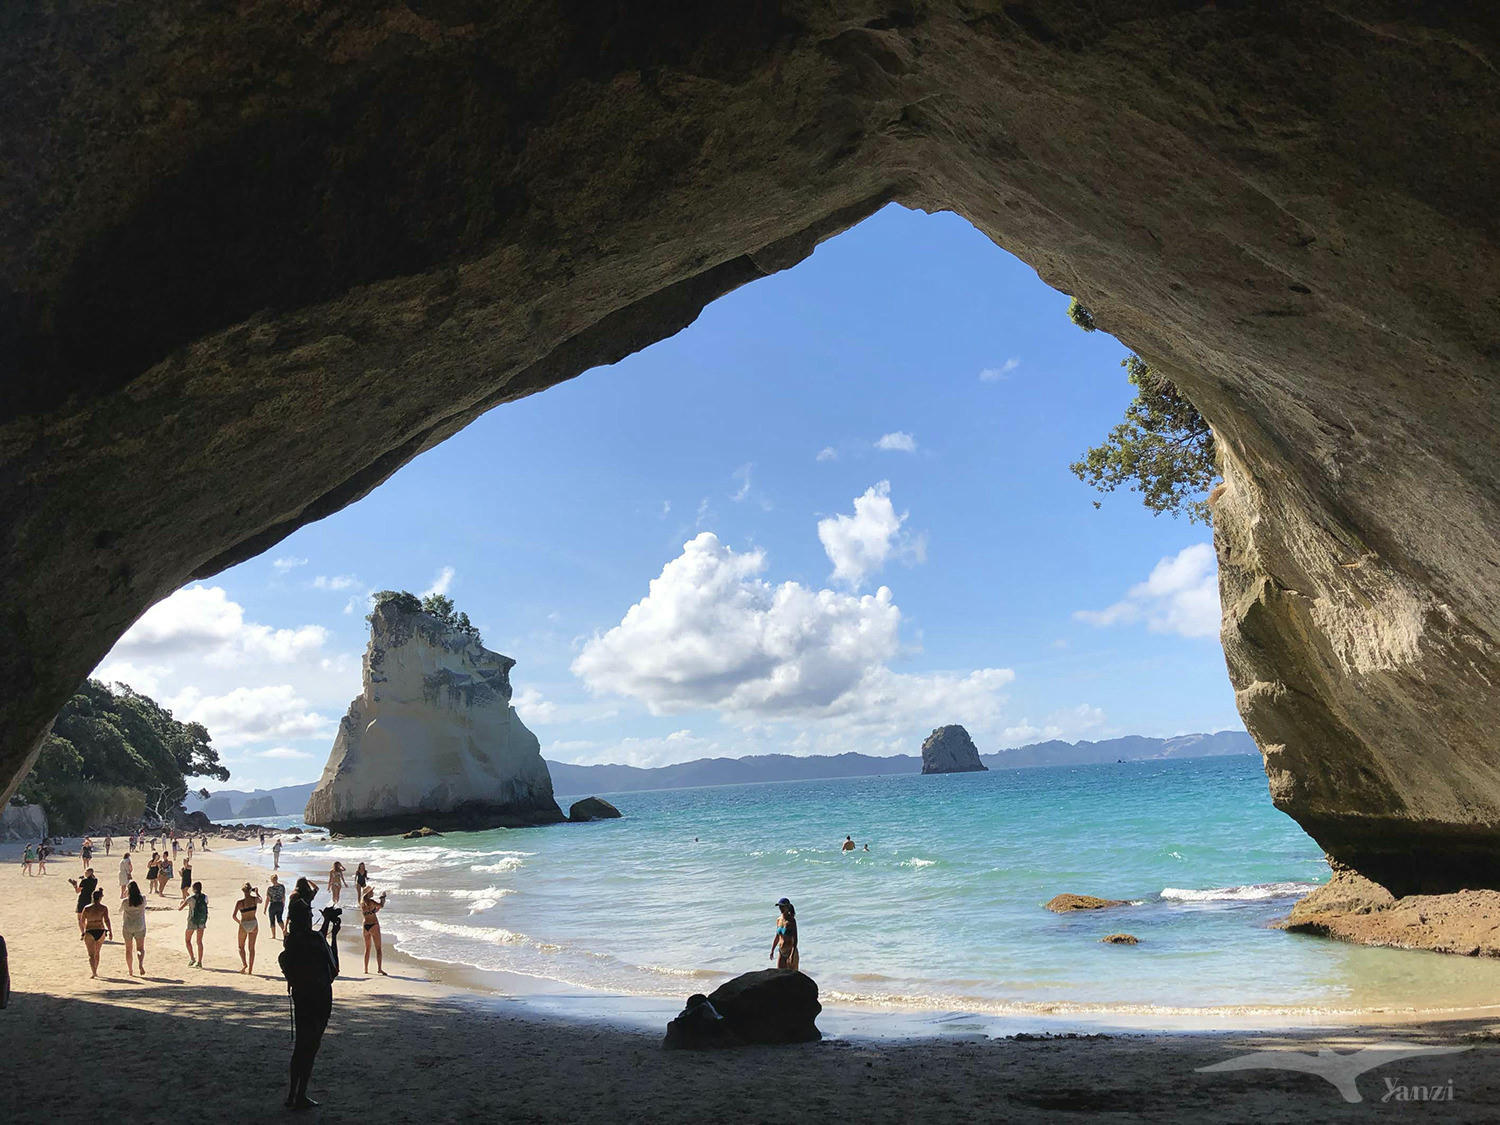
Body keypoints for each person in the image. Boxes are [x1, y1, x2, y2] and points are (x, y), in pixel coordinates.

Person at [280, 878, 340, 1110]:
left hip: (301, 997)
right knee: (312, 1047)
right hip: (320, 998)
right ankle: (302, 1095)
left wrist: (325, 925)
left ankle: (292, 1094)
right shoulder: (315, 940)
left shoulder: (291, 942)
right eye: (309, 914)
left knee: (300, 1047)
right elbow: (334, 968)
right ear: (305, 918)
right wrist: (334, 935)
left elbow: (315, 940)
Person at [80, 889, 111, 978]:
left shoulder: (87, 908)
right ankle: (95, 970)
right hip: (100, 930)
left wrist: (84, 930)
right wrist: (110, 931)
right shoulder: (103, 908)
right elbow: (107, 920)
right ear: (100, 898)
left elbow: (82, 920)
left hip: (90, 930)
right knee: (97, 952)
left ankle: (94, 972)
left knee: (91, 955)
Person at [232, 882, 262, 974]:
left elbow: (234, 916)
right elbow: (261, 900)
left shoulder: (240, 903)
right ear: (250, 890)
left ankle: (245, 964)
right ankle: (250, 970)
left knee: (241, 946)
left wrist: (239, 922)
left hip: (244, 923)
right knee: (251, 948)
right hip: (253, 922)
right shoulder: (254, 899)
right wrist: (257, 893)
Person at [120, 880, 147, 976]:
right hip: (140, 925)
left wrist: (125, 895)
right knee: (140, 948)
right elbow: (144, 906)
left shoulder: (125, 902)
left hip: (128, 926)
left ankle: (130, 970)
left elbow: (120, 910)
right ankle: (140, 964)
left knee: (128, 949)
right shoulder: (142, 899)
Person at [179, 881, 209, 967]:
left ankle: (192, 958)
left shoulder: (190, 898)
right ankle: (199, 962)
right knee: (199, 941)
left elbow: (180, 908)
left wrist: (181, 903)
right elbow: (206, 904)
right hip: (201, 921)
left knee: (187, 940)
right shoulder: (205, 897)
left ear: (193, 889)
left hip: (192, 921)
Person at [360, 888, 388, 975]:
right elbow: (381, 905)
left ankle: (366, 969)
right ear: (368, 893)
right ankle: (379, 969)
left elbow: (372, 911)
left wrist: (375, 909)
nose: (373, 892)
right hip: (374, 925)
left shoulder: (362, 902)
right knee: (378, 948)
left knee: (367, 948)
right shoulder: (371, 902)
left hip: (365, 925)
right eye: (372, 891)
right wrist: (383, 898)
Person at [770, 897, 798, 971]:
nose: (781, 908)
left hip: (790, 951)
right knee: (779, 973)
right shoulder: (778, 920)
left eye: (783, 906)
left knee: (792, 974)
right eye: (780, 906)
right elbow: (777, 936)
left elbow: (795, 939)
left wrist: (792, 954)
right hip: (781, 951)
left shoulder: (791, 921)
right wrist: (772, 950)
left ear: (787, 907)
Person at [69, 867, 99, 934]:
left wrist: (75, 885)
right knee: (88, 918)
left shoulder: (84, 881)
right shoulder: (95, 880)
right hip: (90, 899)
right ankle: (89, 931)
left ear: (89, 873)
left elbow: (77, 891)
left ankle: (83, 933)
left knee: (80, 918)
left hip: (82, 899)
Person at [265, 873, 287, 938]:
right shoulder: (282, 886)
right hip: (280, 904)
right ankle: (284, 932)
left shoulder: (270, 889)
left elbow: (268, 899)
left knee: (272, 920)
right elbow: (283, 896)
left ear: (271, 880)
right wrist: (283, 904)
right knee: (279, 919)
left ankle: (273, 935)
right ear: (277, 879)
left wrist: (265, 908)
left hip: (273, 905)